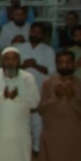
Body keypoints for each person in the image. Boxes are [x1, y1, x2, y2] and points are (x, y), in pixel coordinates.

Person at [14, 21, 55, 152]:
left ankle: (37, 150)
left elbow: (52, 71)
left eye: (39, 32)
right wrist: (23, 65)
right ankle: (22, 149)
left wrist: (35, 65)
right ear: (29, 32)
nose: (35, 34)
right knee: (21, 121)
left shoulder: (48, 51)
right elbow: (10, 68)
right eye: (33, 31)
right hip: (20, 89)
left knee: (38, 123)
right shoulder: (19, 48)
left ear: (43, 35)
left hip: (40, 90)